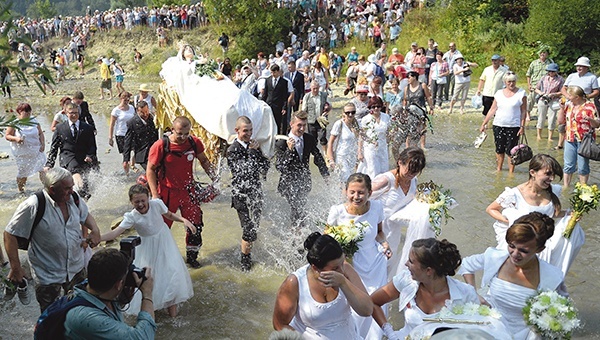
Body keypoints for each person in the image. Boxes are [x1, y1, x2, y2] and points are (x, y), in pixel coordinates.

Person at [4, 167, 101, 312]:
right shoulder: (33, 205)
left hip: (76, 268)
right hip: (48, 274)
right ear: (52, 189)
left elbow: (85, 215)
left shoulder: (73, 198)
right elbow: (9, 234)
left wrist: (95, 230)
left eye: (72, 187)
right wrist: (16, 267)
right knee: (51, 316)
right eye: (67, 188)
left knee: (79, 310)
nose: (71, 190)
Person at [459, 212, 568, 340]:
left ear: (539, 249)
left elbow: (562, 311)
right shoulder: (495, 257)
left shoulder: (553, 277)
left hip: (523, 335)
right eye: (511, 246)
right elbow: (466, 265)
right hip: (488, 327)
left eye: (523, 251)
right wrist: (473, 293)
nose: (515, 254)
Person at [100, 184, 194, 317]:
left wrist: (183, 220)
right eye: (136, 202)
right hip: (147, 247)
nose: (140, 204)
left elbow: (169, 215)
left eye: (143, 200)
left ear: (148, 198)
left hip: (164, 242)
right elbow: (115, 233)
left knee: (172, 272)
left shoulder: (157, 204)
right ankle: (151, 312)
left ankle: (173, 316)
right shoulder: (131, 216)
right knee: (151, 278)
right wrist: (97, 238)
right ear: (131, 202)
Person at [371, 238, 478, 340]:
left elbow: (478, 330)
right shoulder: (405, 280)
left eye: (411, 261)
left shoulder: (466, 294)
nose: (406, 264)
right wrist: (390, 333)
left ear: (428, 271)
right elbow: (373, 302)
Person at [146, 116, 217, 268]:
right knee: (161, 228)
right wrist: (155, 196)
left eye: (186, 133)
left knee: (195, 225)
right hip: (167, 192)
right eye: (179, 133)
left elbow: (204, 161)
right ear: (172, 130)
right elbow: (150, 170)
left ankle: (191, 258)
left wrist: (216, 180)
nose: (183, 137)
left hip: (188, 191)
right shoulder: (160, 145)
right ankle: (158, 260)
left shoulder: (194, 142)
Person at [272, 232, 373, 338]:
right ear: (315, 268)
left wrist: (343, 283)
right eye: (335, 268)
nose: (341, 270)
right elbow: (279, 324)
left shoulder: (346, 270)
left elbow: (367, 310)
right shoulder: (295, 282)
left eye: (342, 263)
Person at [327, 173, 391, 339]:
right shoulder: (337, 212)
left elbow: (379, 232)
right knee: (353, 309)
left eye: (361, 192)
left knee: (374, 303)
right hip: (349, 267)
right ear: (346, 191)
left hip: (374, 265)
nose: (356, 197)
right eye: (352, 192)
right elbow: (326, 241)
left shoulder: (377, 207)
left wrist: (385, 244)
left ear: (369, 192)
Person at [63, 248, 156, 338]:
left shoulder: (96, 287)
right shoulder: (86, 317)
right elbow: (143, 337)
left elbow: (116, 304)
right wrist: (147, 294)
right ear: (119, 284)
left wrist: (127, 293)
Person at [371, 147, 427, 279]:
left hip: (394, 232)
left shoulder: (414, 181)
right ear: (399, 162)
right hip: (377, 232)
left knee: (389, 266)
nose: (411, 174)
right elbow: (360, 198)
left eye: (416, 171)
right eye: (409, 169)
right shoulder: (385, 180)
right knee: (374, 267)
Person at [226, 116, 270, 271]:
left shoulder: (253, 146)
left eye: (251, 130)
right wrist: (252, 152)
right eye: (245, 130)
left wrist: (259, 151)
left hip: (255, 193)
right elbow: (243, 171)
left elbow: (265, 167)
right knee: (248, 228)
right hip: (240, 195)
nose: (249, 134)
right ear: (236, 130)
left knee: (254, 228)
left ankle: (248, 249)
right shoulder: (232, 150)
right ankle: (245, 261)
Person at [275, 111, 329, 229]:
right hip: (288, 184)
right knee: (297, 209)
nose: (302, 128)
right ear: (291, 124)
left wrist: (326, 176)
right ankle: (297, 235)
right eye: (299, 125)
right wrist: (289, 151)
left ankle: (298, 234)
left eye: (304, 125)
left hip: (304, 181)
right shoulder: (281, 143)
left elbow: (318, 157)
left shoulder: (308, 138)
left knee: (300, 209)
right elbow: (280, 167)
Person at [45, 102, 98, 199]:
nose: (74, 115)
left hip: (83, 159)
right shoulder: (60, 128)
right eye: (71, 113)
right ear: (65, 113)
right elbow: (54, 147)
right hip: (67, 158)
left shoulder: (87, 128)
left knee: (85, 185)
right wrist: (49, 164)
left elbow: (92, 146)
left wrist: (90, 155)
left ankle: (81, 204)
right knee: (75, 174)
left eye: (76, 113)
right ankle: (80, 193)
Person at [480, 72, 527, 173]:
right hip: (498, 124)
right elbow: (492, 109)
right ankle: (499, 169)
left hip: (514, 126)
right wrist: (484, 123)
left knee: (511, 150)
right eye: (509, 82)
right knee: (499, 149)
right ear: (505, 82)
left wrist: (522, 126)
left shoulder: (521, 93)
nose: (511, 84)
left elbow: (523, 111)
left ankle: (511, 172)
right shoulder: (499, 93)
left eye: (513, 81)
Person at [562, 85, 600, 187]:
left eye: (570, 95)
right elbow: (561, 121)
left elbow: (597, 125)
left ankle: (583, 187)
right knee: (568, 165)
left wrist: (590, 119)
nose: (567, 97)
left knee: (583, 166)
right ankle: (566, 187)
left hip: (584, 140)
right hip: (569, 138)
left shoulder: (590, 106)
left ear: (577, 97)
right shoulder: (569, 105)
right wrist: (561, 108)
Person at [4, 103, 46, 193]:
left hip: (37, 150)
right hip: (22, 153)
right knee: (23, 173)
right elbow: (7, 136)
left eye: (29, 111)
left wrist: (42, 144)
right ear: (19, 112)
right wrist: (16, 139)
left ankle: (47, 188)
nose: (28, 113)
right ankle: (21, 191)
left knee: (42, 169)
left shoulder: (34, 120)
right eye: (25, 111)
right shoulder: (14, 123)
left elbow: (40, 133)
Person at [357, 96, 390, 180]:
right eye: (373, 107)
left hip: (383, 147)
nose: (376, 108)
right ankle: (372, 188)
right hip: (370, 147)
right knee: (372, 169)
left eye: (378, 106)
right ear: (370, 107)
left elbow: (389, 132)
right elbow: (362, 136)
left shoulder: (386, 117)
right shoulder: (366, 119)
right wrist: (360, 151)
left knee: (384, 169)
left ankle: (383, 189)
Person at [327, 102, 360, 184]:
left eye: (353, 112)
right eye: (347, 112)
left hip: (352, 157)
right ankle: (341, 197)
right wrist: (331, 160)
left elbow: (362, 139)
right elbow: (330, 143)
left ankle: (345, 197)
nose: (350, 114)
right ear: (343, 113)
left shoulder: (357, 124)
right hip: (341, 157)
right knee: (346, 180)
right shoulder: (339, 124)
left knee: (352, 181)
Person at [260, 64, 295, 135]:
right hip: (269, 105)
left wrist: (284, 107)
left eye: (274, 72)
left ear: (278, 72)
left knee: (277, 123)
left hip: (278, 106)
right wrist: (262, 104)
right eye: (271, 72)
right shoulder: (268, 80)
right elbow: (265, 94)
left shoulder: (284, 82)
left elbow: (284, 96)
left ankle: (277, 138)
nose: (273, 74)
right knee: (268, 123)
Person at [404, 71, 435, 149]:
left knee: (421, 128)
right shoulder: (406, 88)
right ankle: (407, 147)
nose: (408, 79)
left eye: (409, 77)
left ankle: (422, 147)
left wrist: (431, 107)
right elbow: (405, 100)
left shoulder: (423, 85)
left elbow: (428, 97)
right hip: (410, 110)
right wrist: (404, 110)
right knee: (409, 128)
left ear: (414, 77)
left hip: (421, 109)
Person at [124, 101, 158, 171]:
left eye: (146, 111)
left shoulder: (154, 119)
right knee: (151, 171)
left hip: (154, 151)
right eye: (142, 112)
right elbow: (128, 141)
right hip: (142, 152)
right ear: (137, 111)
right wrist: (126, 160)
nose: (145, 114)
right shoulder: (132, 123)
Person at [534, 63, 564, 141]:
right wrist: (541, 93)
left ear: (556, 71)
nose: (550, 73)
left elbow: (562, 91)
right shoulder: (543, 78)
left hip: (554, 101)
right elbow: (536, 88)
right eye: (549, 71)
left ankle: (550, 137)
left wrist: (553, 94)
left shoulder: (560, 79)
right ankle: (539, 136)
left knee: (552, 119)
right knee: (541, 117)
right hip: (542, 99)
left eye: (552, 71)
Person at [109, 91, 136, 176]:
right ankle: (127, 174)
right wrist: (110, 137)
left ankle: (132, 165)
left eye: (128, 98)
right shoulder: (116, 110)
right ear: (120, 99)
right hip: (121, 135)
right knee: (125, 156)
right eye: (124, 98)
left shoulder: (132, 108)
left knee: (137, 150)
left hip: (132, 133)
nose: (126, 100)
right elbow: (112, 124)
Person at [302, 80, 330, 150]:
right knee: (312, 139)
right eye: (313, 88)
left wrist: (326, 111)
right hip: (311, 121)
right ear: (310, 88)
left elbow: (330, 106)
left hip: (322, 121)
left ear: (319, 87)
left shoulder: (324, 95)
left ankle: (326, 155)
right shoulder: (307, 96)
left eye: (317, 88)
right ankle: (314, 155)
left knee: (323, 138)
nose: (315, 90)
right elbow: (304, 110)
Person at [526, 48, 552, 120]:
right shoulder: (534, 63)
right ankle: (527, 114)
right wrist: (529, 85)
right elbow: (528, 74)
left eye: (544, 52)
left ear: (547, 54)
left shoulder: (550, 63)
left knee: (545, 100)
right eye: (541, 53)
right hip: (535, 85)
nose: (542, 54)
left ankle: (543, 115)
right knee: (530, 100)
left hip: (545, 85)